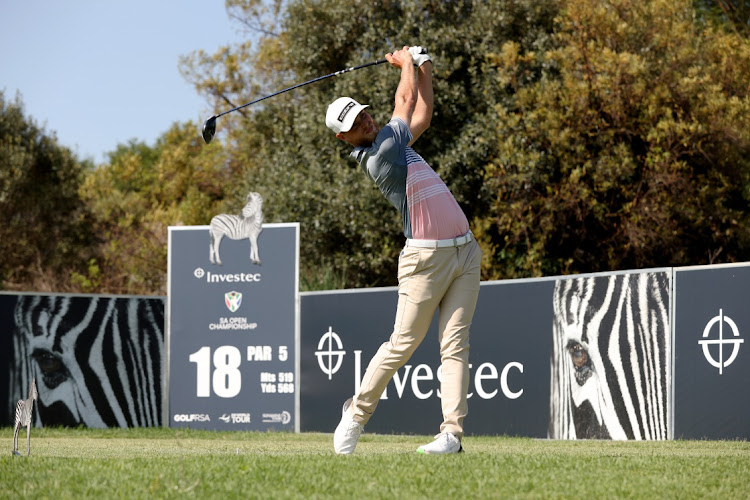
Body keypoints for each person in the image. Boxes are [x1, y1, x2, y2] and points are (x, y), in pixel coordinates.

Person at [324, 46, 482, 455]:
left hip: (465, 252)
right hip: (425, 260)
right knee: (402, 343)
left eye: (362, 113)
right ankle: (356, 416)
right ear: (345, 139)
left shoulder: (393, 140)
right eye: (355, 124)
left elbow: (422, 113)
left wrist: (425, 67)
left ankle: (451, 435)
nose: (365, 120)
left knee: (455, 345)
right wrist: (406, 62)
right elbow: (405, 100)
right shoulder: (381, 155)